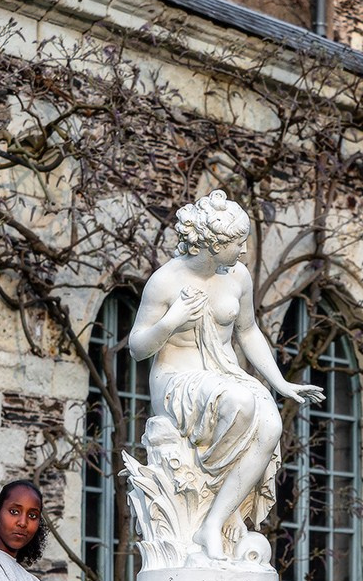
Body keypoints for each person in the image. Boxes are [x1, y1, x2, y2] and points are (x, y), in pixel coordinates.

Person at [129, 189, 324, 561]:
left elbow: (248, 331)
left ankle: (214, 519)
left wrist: (280, 383)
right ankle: (213, 495)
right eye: (238, 243)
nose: (244, 250)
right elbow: (138, 347)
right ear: (212, 245)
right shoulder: (166, 281)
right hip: (177, 379)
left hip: (223, 372)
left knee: (270, 425)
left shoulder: (237, 276)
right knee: (239, 403)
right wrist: (172, 321)